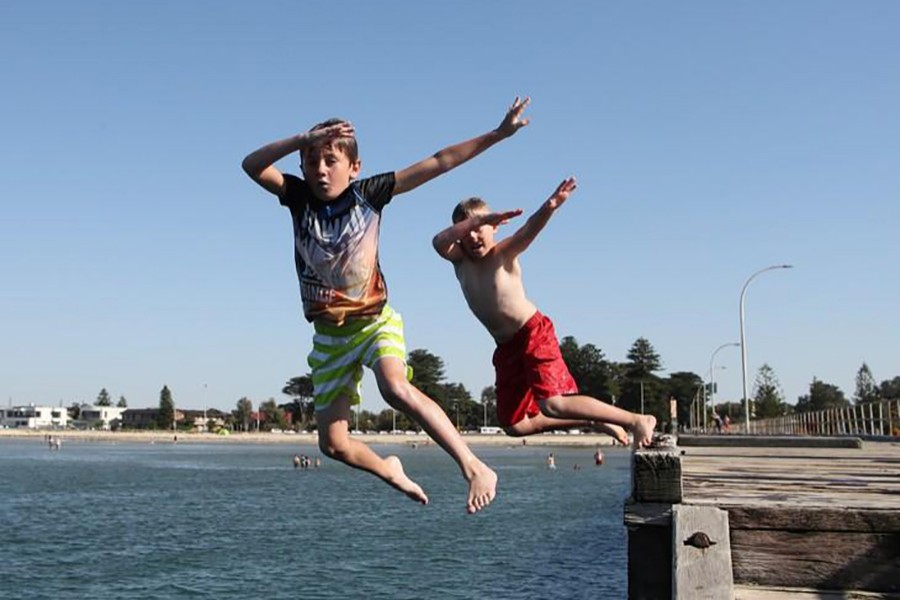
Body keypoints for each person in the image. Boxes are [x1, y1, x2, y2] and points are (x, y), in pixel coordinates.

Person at [242, 97, 532, 514]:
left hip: (375, 322)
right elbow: (251, 166)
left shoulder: (370, 194)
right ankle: (389, 468)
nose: (320, 169)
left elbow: (440, 161)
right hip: (328, 336)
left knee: (395, 387)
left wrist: (498, 135)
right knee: (333, 445)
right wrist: (300, 139)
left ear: (354, 167)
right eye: (311, 161)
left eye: (330, 159)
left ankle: (473, 466)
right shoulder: (298, 198)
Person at [432, 177, 657, 447]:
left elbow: (529, 230)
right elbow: (438, 241)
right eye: (465, 230)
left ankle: (636, 420)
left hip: (532, 332)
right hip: (506, 348)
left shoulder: (503, 253)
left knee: (553, 404)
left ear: (495, 227)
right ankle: (591, 419)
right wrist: (477, 221)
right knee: (515, 425)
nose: (472, 236)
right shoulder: (460, 262)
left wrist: (550, 207)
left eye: (480, 228)